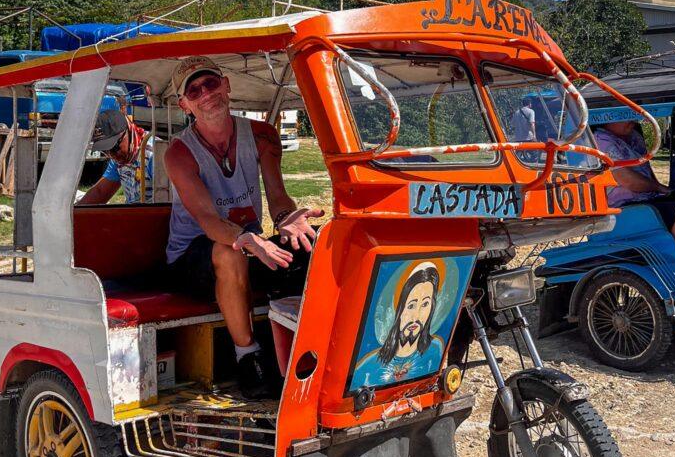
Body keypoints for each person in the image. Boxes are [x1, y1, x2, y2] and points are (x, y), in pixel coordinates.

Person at [164, 56, 323, 399]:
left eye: (211, 83)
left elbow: (278, 197)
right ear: (185, 105)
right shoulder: (179, 153)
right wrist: (250, 241)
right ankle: (248, 357)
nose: (206, 94)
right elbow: (207, 221)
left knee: (313, 241)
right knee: (229, 251)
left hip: (245, 244)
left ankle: (313, 344)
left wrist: (287, 221)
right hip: (191, 259)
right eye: (195, 90)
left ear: (226, 85)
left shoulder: (263, 136)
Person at [594, 120, 675, 274]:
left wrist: (663, 191)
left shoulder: (634, 137)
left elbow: (647, 171)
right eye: (624, 115)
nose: (632, 119)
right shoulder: (600, 140)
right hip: (621, 207)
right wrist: (658, 187)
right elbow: (628, 180)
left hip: (648, 199)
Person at [352, 263, 444, 388]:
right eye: (411, 306)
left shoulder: (435, 349)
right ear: (398, 309)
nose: (416, 317)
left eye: (425, 305)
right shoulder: (367, 367)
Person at [79, 110, 154, 205]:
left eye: (114, 147)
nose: (111, 154)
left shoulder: (153, 155)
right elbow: (100, 192)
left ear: (128, 130)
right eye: (105, 151)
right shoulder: (120, 159)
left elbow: (167, 205)